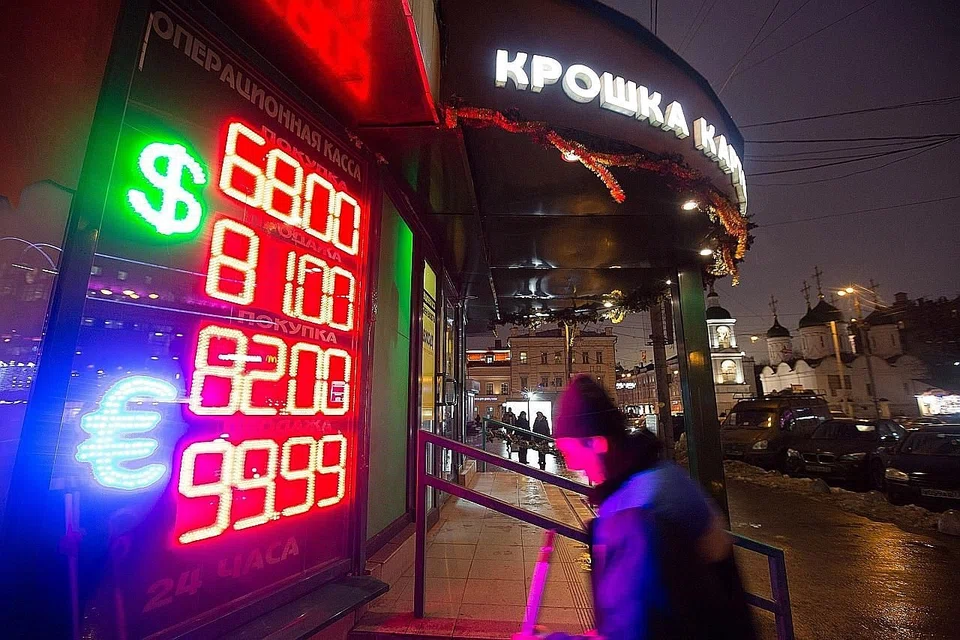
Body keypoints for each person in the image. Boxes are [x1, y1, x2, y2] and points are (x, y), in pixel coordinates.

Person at [540, 374, 756, 640]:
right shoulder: (658, 476)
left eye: (569, 452)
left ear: (597, 443)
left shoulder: (638, 512)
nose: (571, 464)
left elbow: (633, 631)